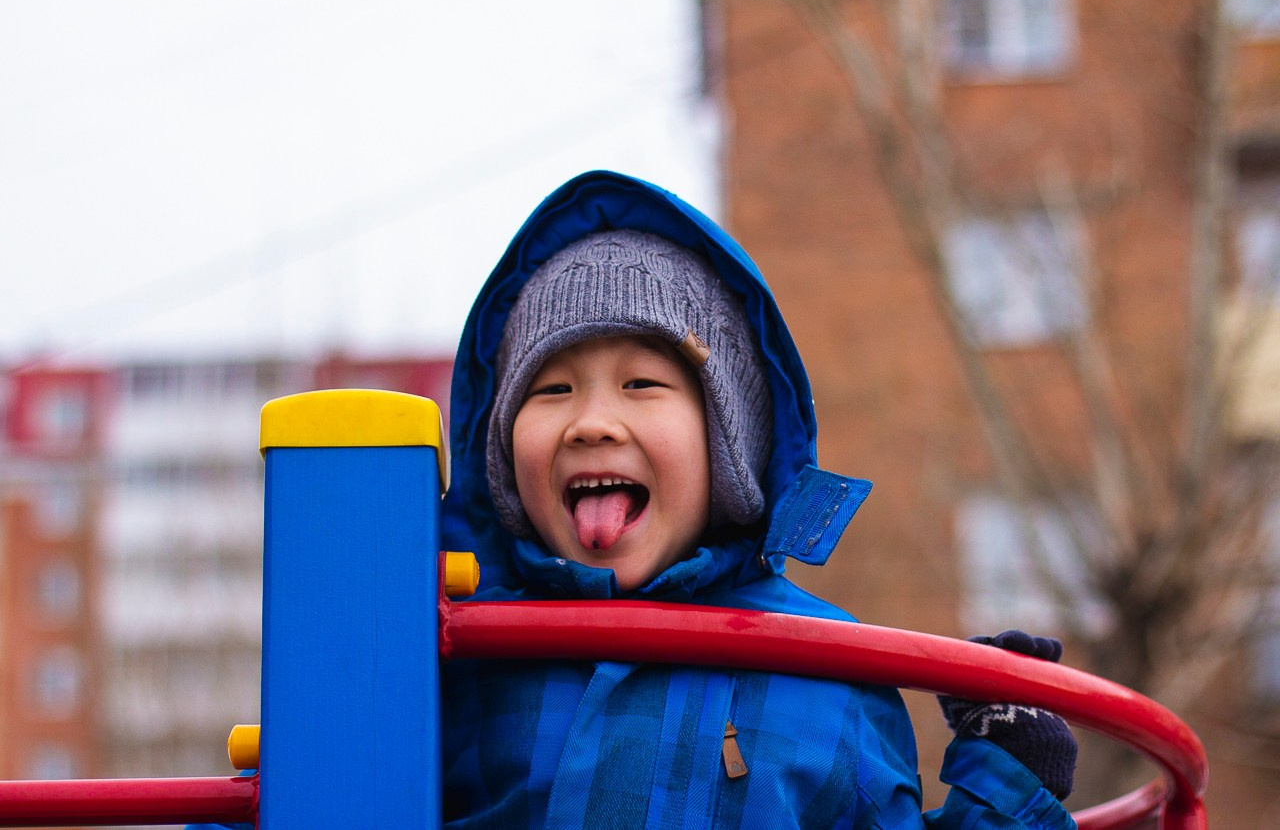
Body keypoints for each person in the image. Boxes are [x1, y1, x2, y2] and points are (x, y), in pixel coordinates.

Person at [188, 170, 1076, 829]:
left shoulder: (824, 678)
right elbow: (324, 795)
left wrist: (1009, 774)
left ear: (727, 447)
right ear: (500, 453)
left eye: (644, 383)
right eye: (551, 391)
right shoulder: (435, 658)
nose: (592, 422)